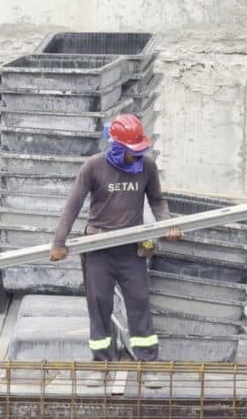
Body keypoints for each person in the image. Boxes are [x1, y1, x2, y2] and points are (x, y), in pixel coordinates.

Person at [49, 113, 180, 361]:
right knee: (99, 305)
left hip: (131, 250)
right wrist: (59, 242)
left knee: (139, 301)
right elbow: (73, 205)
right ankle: (102, 363)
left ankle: (148, 360)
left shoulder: (147, 166)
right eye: (132, 151)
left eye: (140, 150)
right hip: (99, 248)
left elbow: (157, 200)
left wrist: (167, 224)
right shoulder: (94, 166)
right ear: (117, 147)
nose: (137, 156)